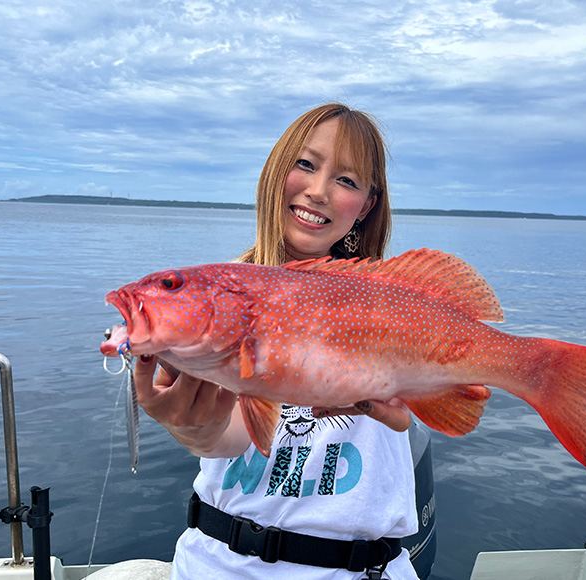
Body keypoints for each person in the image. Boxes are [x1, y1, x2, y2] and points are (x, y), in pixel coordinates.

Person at [133, 103, 421, 579]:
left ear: (367, 205)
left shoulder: (393, 302)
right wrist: (194, 429)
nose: (318, 191)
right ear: (274, 170)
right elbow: (229, 435)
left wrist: (429, 399)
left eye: (347, 181)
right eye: (305, 164)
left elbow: (445, 398)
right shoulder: (216, 300)